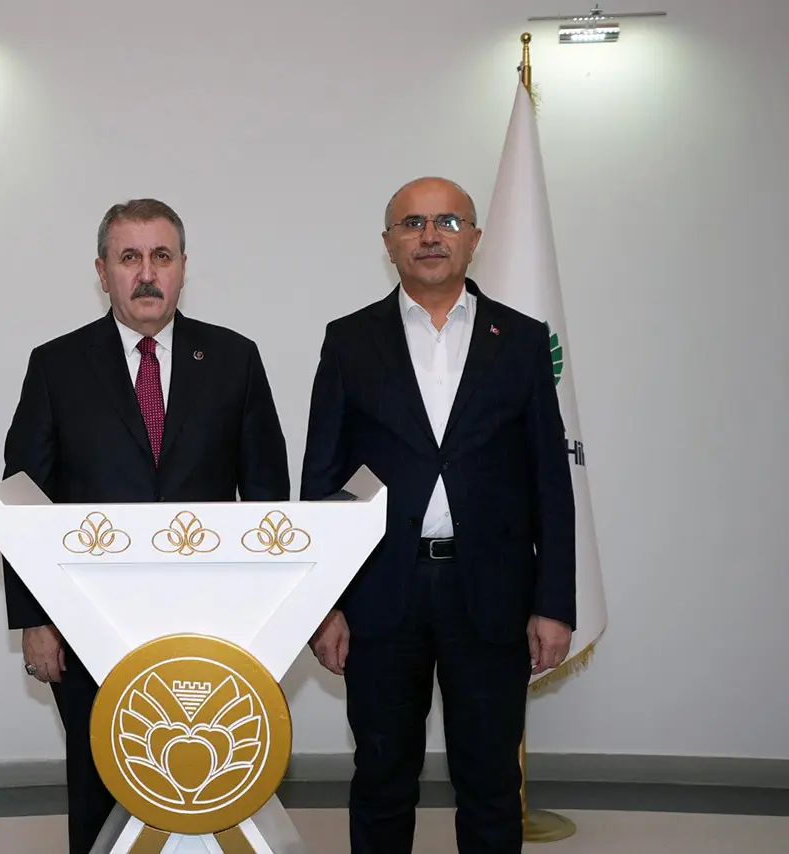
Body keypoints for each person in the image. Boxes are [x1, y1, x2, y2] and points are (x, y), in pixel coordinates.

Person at [0, 198, 291, 854]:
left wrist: (274, 617)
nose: (147, 273)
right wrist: (34, 620)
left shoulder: (235, 359)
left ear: (184, 266)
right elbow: (23, 500)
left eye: (161, 255)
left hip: (213, 624)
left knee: (210, 786)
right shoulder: (57, 365)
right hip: (86, 622)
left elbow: (268, 498)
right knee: (100, 782)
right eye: (129, 257)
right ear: (102, 271)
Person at [300, 177, 576, 854]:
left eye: (448, 222)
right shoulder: (349, 340)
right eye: (413, 223)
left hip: (492, 594)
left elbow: (550, 480)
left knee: (490, 782)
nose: (430, 236)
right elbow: (322, 482)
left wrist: (554, 603)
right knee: (381, 779)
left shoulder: (521, 340)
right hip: (379, 596)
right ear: (389, 242)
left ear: (474, 239)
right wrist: (323, 604)